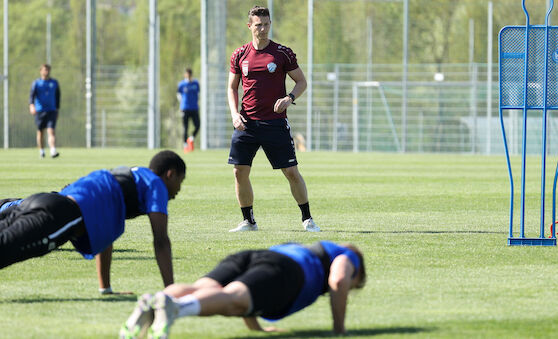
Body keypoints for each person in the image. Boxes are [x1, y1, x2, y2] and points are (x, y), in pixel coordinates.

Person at [0, 150, 186, 293]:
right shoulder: (156, 185)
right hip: (60, 215)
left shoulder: (127, 181)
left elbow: (105, 237)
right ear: (170, 174)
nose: (178, 190)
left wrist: (106, 289)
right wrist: (171, 291)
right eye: (181, 181)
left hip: (43, 200)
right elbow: (161, 240)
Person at [120, 241, 366, 339]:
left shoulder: (304, 248)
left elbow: (255, 285)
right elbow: (338, 281)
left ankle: (156, 301)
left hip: (256, 255)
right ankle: (176, 309)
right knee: (231, 299)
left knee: (204, 287)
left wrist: (257, 327)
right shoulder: (348, 256)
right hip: (287, 272)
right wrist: (339, 330)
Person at [227, 6, 319, 233]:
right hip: (246, 123)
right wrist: (234, 113)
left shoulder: (282, 53)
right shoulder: (239, 55)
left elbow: (301, 82)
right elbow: (232, 87)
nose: (263, 29)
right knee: (239, 171)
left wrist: (289, 98)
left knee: (291, 172)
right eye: (258, 25)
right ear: (250, 26)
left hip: (274, 123)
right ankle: (248, 221)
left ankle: (307, 219)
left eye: (266, 24)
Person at [29, 64, 61, 158]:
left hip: (51, 110)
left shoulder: (54, 83)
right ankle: (42, 151)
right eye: (44, 70)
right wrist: (31, 106)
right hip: (40, 111)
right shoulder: (36, 83)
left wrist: (57, 109)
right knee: (40, 132)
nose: (46, 72)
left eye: (48, 70)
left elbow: (58, 97)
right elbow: (32, 96)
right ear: (40, 71)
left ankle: (53, 151)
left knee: (51, 130)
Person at [177, 68, 200, 153]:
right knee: (185, 127)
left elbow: (198, 94)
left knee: (197, 125)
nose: (188, 76)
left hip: (194, 108)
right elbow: (178, 94)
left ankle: (191, 138)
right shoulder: (182, 84)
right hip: (185, 108)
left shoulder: (195, 83)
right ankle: (185, 145)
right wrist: (181, 104)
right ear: (185, 75)